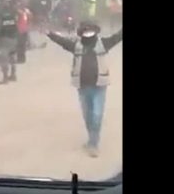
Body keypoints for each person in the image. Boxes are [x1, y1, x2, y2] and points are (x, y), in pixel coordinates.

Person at [43, 21, 122, 157]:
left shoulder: (104, 43)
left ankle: (93, 144)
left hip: (99, 86)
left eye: (90, 30)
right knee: (88, 116)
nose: (88, 33)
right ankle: (91, 138)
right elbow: (62, 41)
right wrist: (49, 34)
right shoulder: (76, 45)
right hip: (82, 87)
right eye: (85, 31)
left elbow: (118, 36)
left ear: (96, 31)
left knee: (97, 115)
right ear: (81, 33)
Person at [0, 0, 19, 85]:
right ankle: (13, 75)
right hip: (13, 38)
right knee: (12, 57)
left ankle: (5, 78)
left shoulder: (1, 15)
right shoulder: (14, 13)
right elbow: (16, 25)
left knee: (4, 59)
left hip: (5, 39)